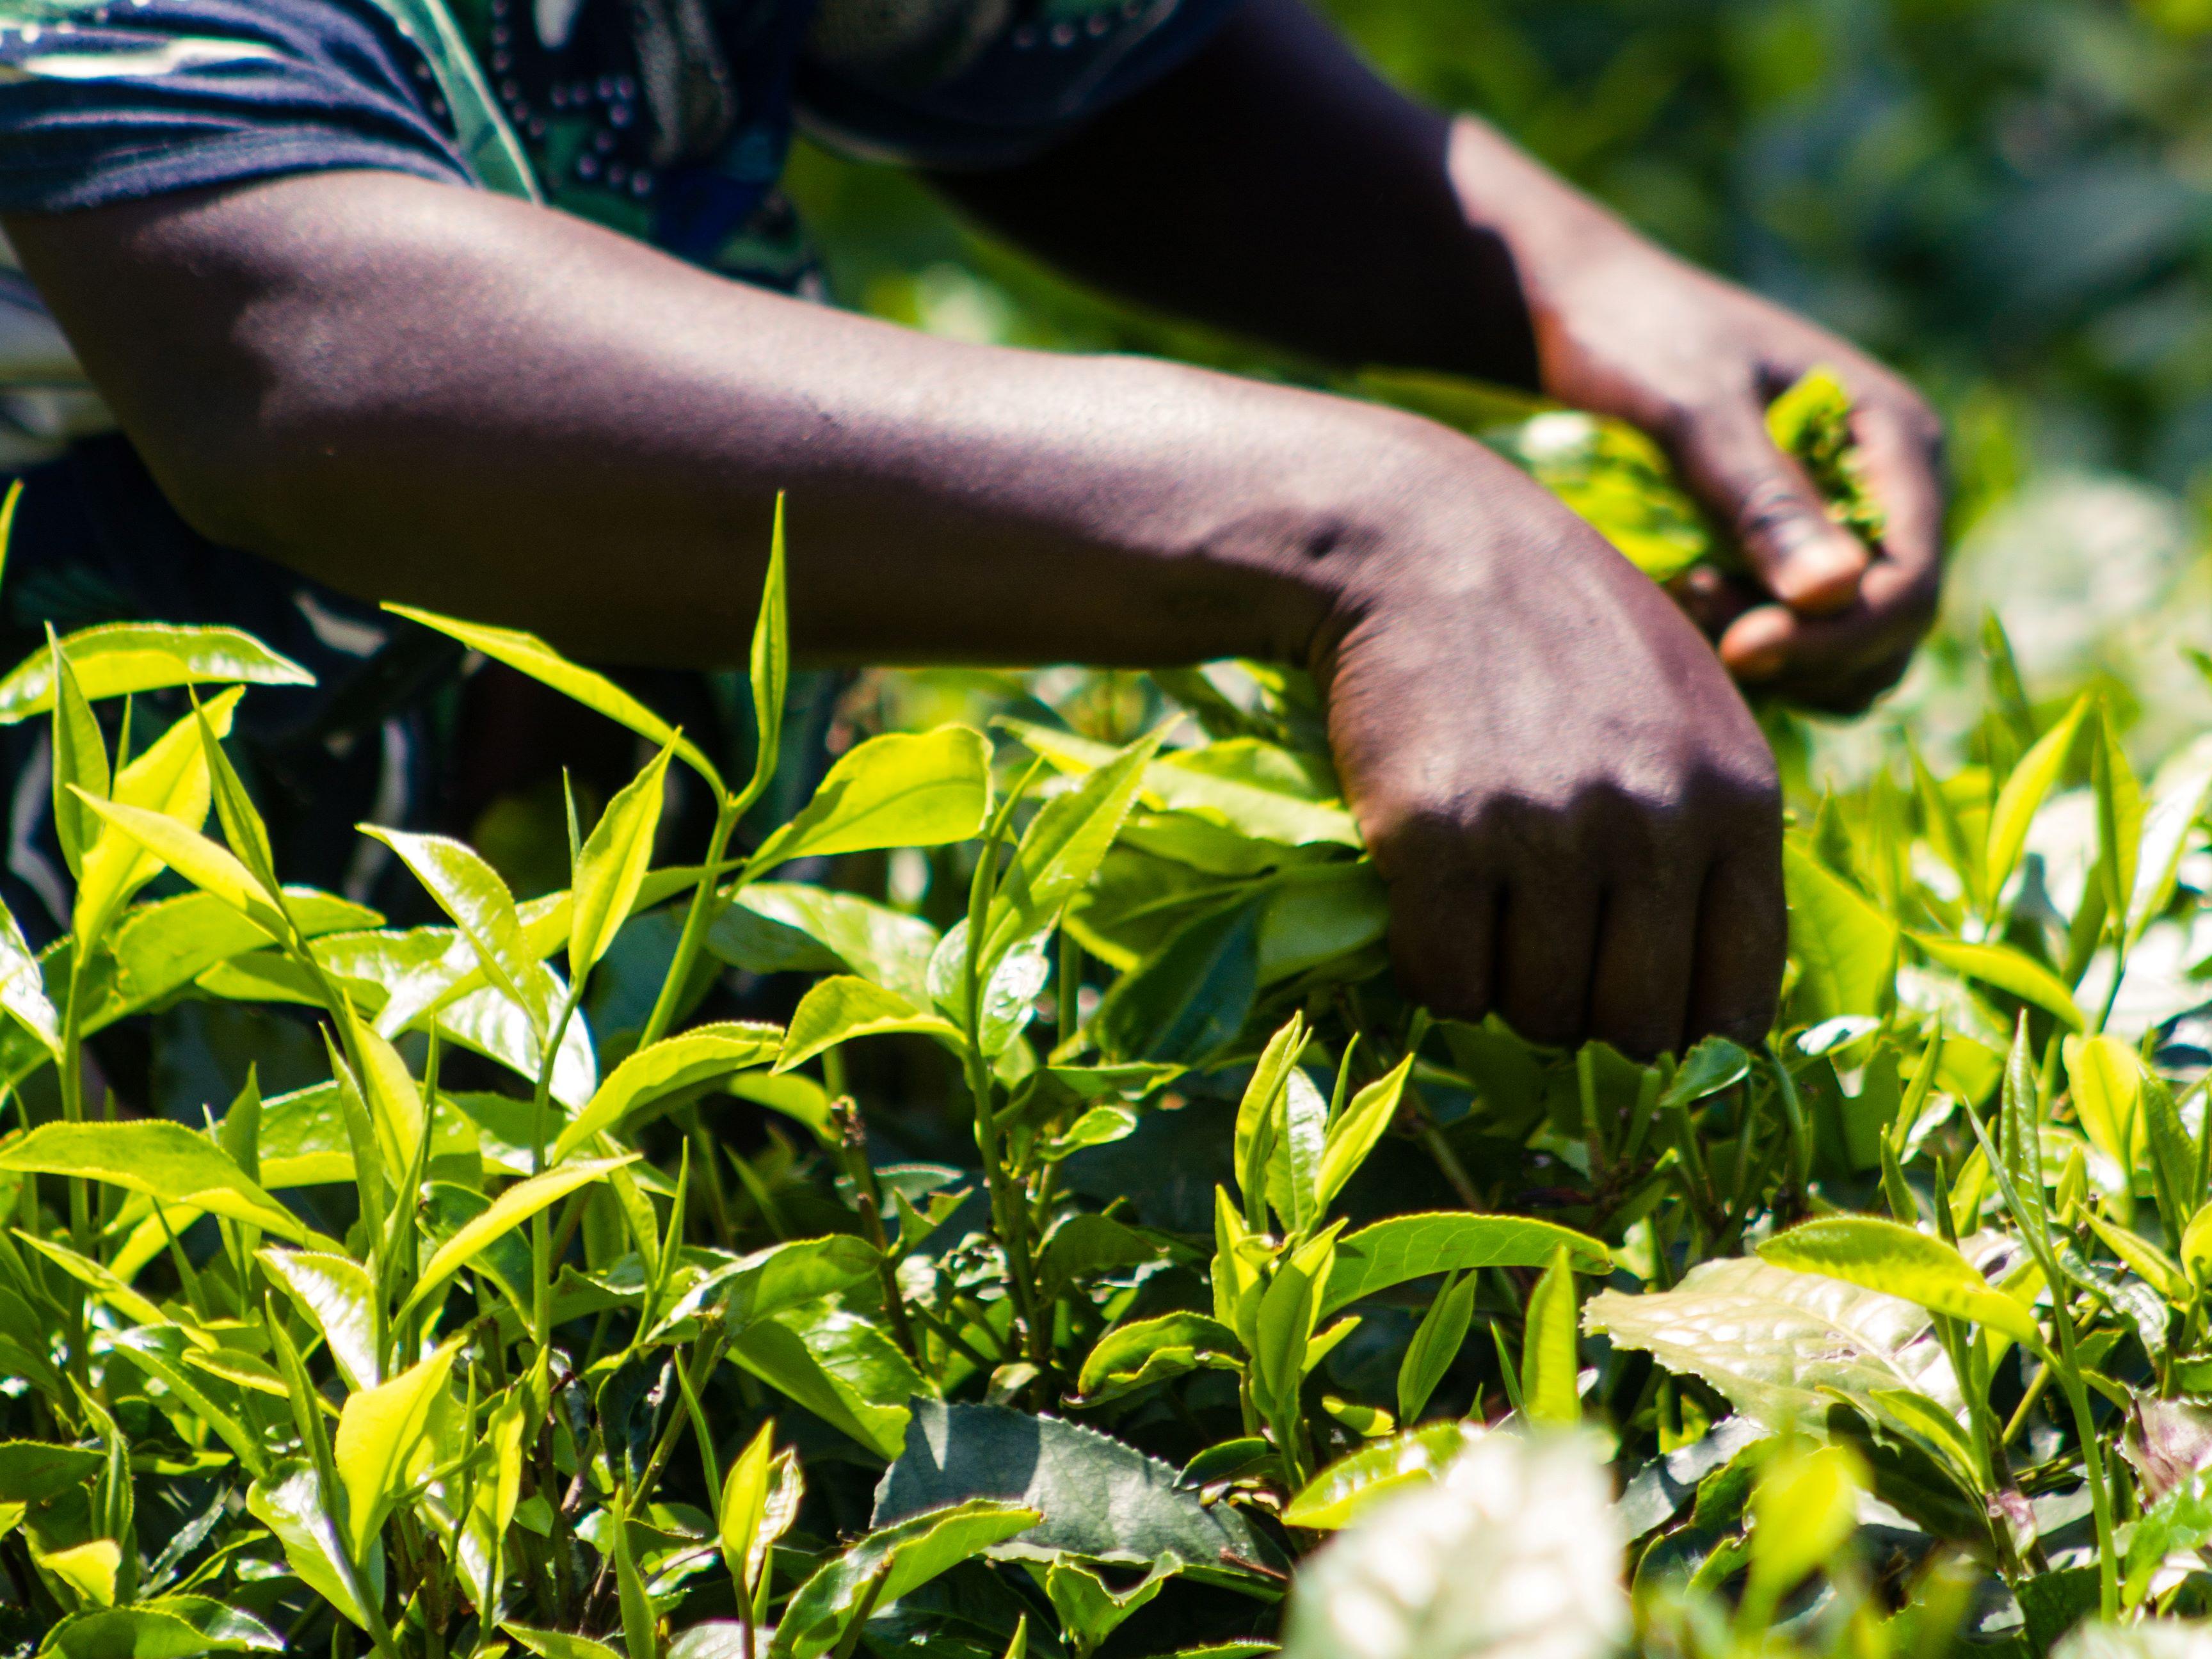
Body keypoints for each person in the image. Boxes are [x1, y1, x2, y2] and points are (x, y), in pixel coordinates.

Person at [0, 0, 1943, 1059]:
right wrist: (1381, 526)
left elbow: (1051, 54)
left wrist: (1591, 299)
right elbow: (298, 339)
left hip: (534, 982)